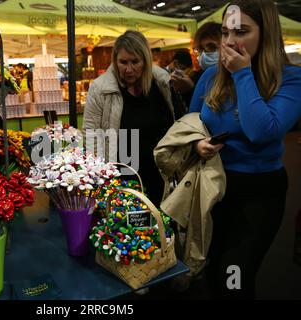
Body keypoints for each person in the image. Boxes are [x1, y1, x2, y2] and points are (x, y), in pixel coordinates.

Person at [189, 0, 301, 299]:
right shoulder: (210, 78)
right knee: (210, 271)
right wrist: (196, 144)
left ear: (266, 34)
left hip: (258, 195)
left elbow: (262, 132)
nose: (229, 42)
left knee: (234, 274)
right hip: (214, 188)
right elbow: (188, 126)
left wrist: (242, 74)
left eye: (241, 31)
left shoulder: (291, 79)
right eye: (225, 32)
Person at [83, 30, 175, 204]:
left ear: (145, 61)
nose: (128, 69)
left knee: (160, 225)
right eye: (123, 62)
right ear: (115, 61)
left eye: (135, 62)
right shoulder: (100, 88)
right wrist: (101, 178)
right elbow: (92, 136)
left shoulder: (162, 84)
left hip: (159, 174)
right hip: (122, 175)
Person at [167, 50, 202, 119]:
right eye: (183, 68)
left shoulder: (192, 76)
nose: (185, 72)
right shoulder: (163, 77)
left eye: (188, 69)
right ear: (175, 63)